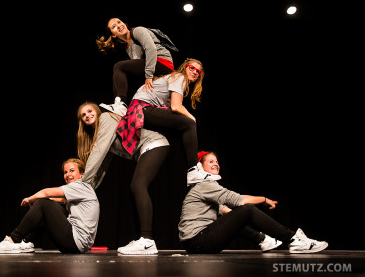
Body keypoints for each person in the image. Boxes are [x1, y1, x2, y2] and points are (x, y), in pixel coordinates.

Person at [178, 151, 328, 254]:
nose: (216, 164)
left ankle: (263, 241)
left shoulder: (204, 188)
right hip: (199, 239)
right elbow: (240, 201)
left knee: (239, 215)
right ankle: (293, 240)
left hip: (194, 244)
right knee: (247, 209)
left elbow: (230, 215)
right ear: (200, 167)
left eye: (217, 161)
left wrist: (259, 232)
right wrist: (264, 199)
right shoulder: (205, 185)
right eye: (211, 162)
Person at [77, 102, 169, 255]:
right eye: (83, 115)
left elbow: (96, 155)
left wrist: (81, 186)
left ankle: (147, 240)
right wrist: (89, 188)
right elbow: (103, 164)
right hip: (149, 149)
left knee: (138, 186)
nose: (87, 115)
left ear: (97, 111)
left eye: (89, 111)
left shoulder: (106, 119)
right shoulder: (100, 132)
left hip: (154, 143)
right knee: (134, 190)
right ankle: (142, 238)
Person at [116, 58, 205, 186]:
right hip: (142, 109)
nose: (195, 72)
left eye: (198, 72)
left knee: (179, 131)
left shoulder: (175, 78)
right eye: (192, 68)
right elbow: (176, 106)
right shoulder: (179, 77)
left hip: (141, 109)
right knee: (189, 123)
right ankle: (192, 169)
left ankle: (188, 172)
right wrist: (192, 118)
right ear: (185, 67)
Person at [0, 158, 100, 254]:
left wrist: (31, 199)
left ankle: (12, 240)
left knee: (43, 203)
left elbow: (46, 193)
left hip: (75, 242)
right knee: (47, 207)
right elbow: (59, 200)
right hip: (78, 245)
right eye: (65, 172)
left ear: (81, 174)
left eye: (72, 171)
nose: (68, 175)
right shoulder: (81, 191)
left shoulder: (81, 186)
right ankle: (26, 243)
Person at [96, 18, 175, 116]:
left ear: (124, 23)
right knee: (120, 75)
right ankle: (119, 104)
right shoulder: (128, 48)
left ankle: (121, 103)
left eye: (119, 22)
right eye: (114, 27)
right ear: (113, 35)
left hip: (163, 62)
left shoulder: (138, 31)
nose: (119, 25)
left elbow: (151, 49)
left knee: (119, 67)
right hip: (151, 66)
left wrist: (148, 76)